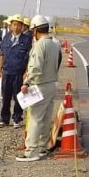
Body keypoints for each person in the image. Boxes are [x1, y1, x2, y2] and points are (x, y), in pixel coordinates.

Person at [16, 15, 60, 162]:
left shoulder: (40, 45)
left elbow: (35, 68)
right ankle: (42, 148)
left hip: (40, 84)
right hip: (52, 84)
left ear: (35, 30)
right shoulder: (55, 43)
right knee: (46, 117)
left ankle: (31, 152)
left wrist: (26, 83)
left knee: (35, 118)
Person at [0, 14, 32, 128]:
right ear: (11, 26)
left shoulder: (27, 40)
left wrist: (27, 71)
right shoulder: (6, 38)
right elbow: (1, 55)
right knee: (6, 96)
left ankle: (17, 118)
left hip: (19, 73)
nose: (16, 27)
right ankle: (4, 118)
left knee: (19, 97)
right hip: (7, 71)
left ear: (22, 27)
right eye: (14, 25)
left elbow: (30, 58)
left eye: (19, 25)